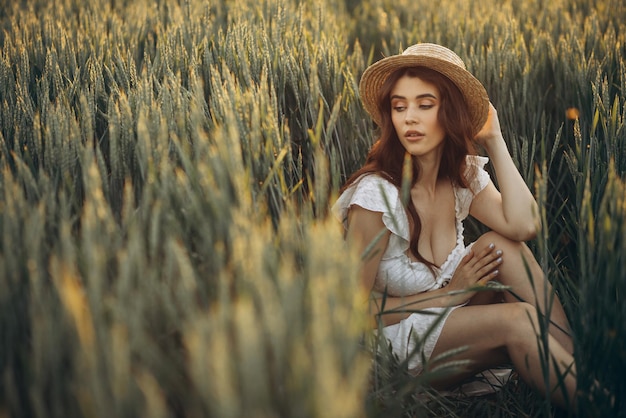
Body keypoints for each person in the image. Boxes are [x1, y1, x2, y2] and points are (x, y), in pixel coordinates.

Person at [332, 43, 576, 409]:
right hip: (392, 345)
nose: (409, 118)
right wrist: (448, 295)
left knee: (503, 245)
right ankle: (599, 406)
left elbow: (525, 225)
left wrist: (493, 138)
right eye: (400, 107)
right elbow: (348, 313)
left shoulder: (460, 175)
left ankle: (576, 373)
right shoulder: (376, 197)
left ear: (451, 113)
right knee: (519, 318)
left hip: (448, 320)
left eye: (425, 105)